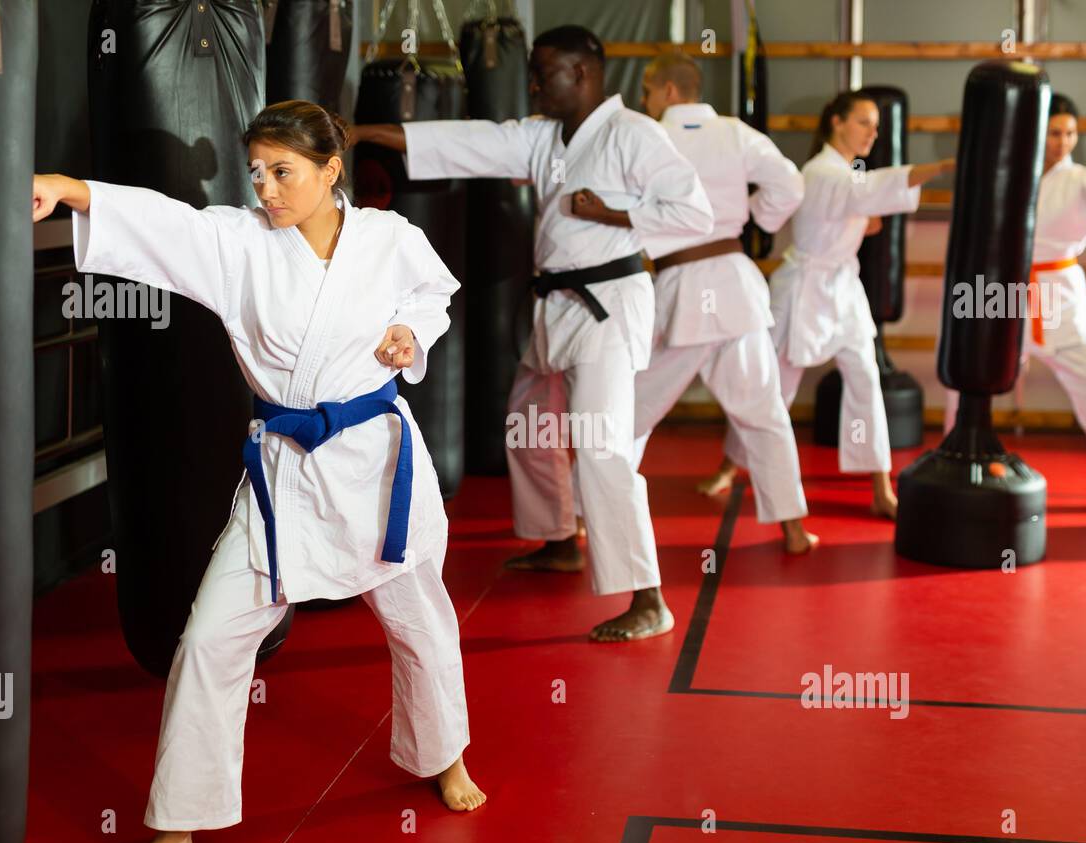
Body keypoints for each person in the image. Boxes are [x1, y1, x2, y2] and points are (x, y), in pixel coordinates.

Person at [32, 100, 484, 843]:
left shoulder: (387, 237)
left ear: (330, 172)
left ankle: (446, 757)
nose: (266, 189)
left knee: (422, 622)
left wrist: (415, 333)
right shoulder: (237, 240)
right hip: (283, 472)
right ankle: (178, 825)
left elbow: (432, 294)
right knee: (209, 637)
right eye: (257, 173)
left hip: (376, 465)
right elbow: (163, 224)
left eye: (283, 172)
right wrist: (73, 189)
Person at [351, 25, 714, 641]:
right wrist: (365, 133)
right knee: (527, 422)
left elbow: (694, 212)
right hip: (557, 306)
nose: (535, 83)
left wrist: (614, 213)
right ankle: (559, 539)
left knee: (600, 447)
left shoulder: (634, 134)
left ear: (585, 72)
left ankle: (648, 597)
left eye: (546, 72)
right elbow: (471, 142)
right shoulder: (546, 137)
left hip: (608, 303)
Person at [700, 92, 953, 518]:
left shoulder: (848, 172)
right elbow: (867, 193)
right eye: (862, 123)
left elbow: (864, 205)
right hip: (801, 290)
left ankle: (880, 487)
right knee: (773, 387)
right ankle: (730, 465)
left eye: (876, 125)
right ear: (836, 123)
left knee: (866, 380)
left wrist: (858, 216)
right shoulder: (819, 171)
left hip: (843, 288)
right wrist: (940, 168)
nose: (872, 132)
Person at [634, 52, 817, 553]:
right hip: (735, 284)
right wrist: (754, 217)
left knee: (629, 410)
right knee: (765, 411)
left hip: (680, 287)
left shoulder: (648, 135)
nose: (645, 101)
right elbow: (791, 184)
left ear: (668, 92)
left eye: (649, 90)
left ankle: (587, 519)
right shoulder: (736, 132)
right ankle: (794, 529)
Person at [942, 94, 1086, 501]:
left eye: (1071, 133)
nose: (1063, 142)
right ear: (1037, 131)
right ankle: (951, 474)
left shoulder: (1084, 181)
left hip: (1058, 293)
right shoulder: (1007, 169)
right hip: (1001, 290)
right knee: (966, 387)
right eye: (1054, 132)